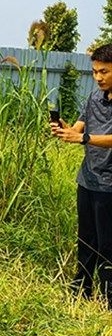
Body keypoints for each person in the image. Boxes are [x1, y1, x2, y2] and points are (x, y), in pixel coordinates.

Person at [51, 43, 112, 306]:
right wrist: (65, 130)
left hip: (109, 185)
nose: (98, 77)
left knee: (108, 245)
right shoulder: (94, 98)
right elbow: (78, 128)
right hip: (87, 180)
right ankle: (81, 291)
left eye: (104, 72)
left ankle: (108, 298)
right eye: (95, 72)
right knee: (86, 240)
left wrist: (82, 138)